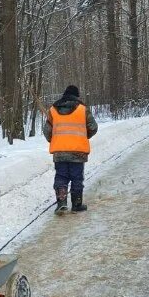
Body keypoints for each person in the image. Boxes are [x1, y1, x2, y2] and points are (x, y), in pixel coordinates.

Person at [43, 85, 98, 214]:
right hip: (78, 150)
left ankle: (61, 202)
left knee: (61, 176)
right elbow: (93, 127)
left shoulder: (53, 110)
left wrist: (56, 140)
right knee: (77, 177)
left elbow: (47, 131)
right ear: (77, 96)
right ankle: (77, 204)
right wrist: (84, 136)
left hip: (60, 151)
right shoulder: (82, 110)